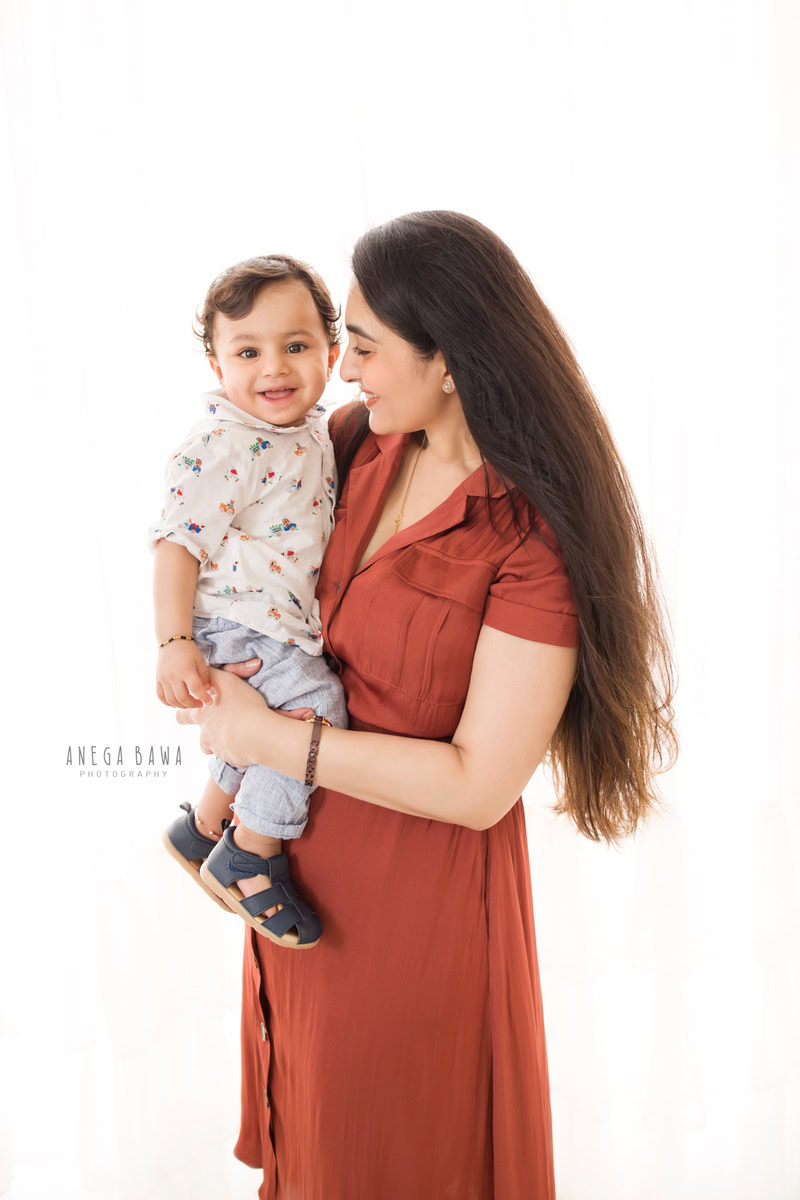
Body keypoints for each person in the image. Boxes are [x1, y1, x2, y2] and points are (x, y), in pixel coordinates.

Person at [175, 211, 678, 1199]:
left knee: (394, 1153)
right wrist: (225, 795)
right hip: (293, 886)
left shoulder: (525, 540)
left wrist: (268, 738)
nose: (340, 366)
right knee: (313, 1146)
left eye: (360, 344)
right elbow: (275, 624)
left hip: (414, 914)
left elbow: (478, 784)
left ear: (445, 357)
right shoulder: (355, 446)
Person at [149, 255, 349, 949]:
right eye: (248, 351)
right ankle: (251, 855)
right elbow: (177, 543)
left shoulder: (316, 430)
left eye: (296, 347)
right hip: (236, 623)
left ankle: (202, 824)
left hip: (268, 623)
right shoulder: (222, 443)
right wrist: (175, 643)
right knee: (314, 711)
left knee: (267, 714)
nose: (274, 369)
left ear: (334, 349)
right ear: (216, 365)